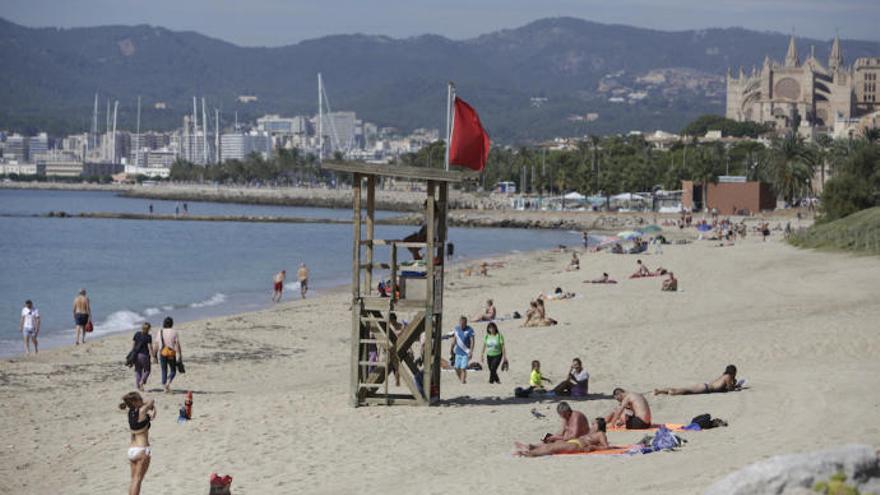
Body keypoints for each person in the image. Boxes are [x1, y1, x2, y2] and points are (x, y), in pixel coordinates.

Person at [120, 391, 156, 495]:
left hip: (131, 450)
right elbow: (151, 400)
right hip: (142, 449)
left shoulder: (130, 412)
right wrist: (145, 403)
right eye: (139, 399)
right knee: (138, 479)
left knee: (134, 479)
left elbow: (149, 415)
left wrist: (150, 410)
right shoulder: (141, 411)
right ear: (135, 401)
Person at [515, 418, 609, 457]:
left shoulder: (600, 434)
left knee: (553, 448)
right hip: (573, 442)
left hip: (578, 446)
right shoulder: (591, 432)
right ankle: (532, 447)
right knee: (553, 444)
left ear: (599, 425)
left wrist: (593, 447)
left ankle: (529, 453)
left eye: (594, 424)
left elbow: (606, 447)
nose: (592, 425)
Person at [654, 365, 740, 395]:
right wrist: (735, 384)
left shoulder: (724, 375)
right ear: (733, 372)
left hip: (705, 386)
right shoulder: (728, 377)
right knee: (683, 391)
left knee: (685, 390)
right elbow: (730, 389)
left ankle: (660, 391)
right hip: (705, 388)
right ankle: (666, 392)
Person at [155, 317, 182, 393]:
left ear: (164, 323)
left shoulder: (160, 331)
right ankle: (168, 382)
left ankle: (164, 386)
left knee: (164, 370)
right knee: (173, 370)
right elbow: (177, 344)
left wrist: (154, 355)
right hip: (171, 353)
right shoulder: (174, 332)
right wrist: (180, 354)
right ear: (172, 323)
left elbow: (156, 344)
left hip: (162, 353)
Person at [131, 323, 155, 391]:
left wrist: (133, 354)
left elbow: (133, 345)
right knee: (147, 370)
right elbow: (150, 347)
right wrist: (153, 356)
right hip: (144, 355)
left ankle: (138, 386)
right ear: (149, 329)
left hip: (136, 354)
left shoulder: (137, 334)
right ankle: (142, 381)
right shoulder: (148, 336)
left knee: (138, 371)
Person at [452, 316, 474, 384]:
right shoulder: (456, 329)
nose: (461, 325)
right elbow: (454, 339)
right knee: (456, 368)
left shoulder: (469, 330)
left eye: (463, 323)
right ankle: (462, 379)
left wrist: (471, 351)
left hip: (466, 352)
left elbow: (472, 341)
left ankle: (462, 382)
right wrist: (451, 348)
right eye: (460, 323)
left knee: (463, 368)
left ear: (465, 323)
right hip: (458, 351)